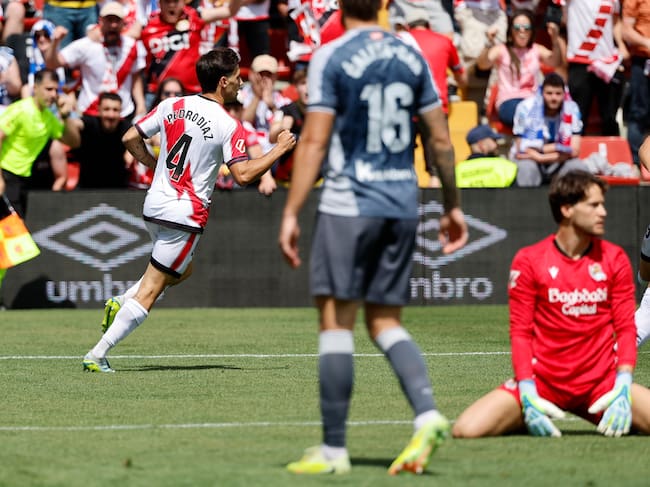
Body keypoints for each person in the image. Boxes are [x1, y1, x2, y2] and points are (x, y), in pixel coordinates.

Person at [278, 0, 468, 475]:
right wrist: (453, 205)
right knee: (385, 321)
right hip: (402, 203)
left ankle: (335, 450)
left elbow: (316, 141)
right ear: (384, 5)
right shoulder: (413, 55)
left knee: (336, 322)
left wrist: (292, 210)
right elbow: (441, 141)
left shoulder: (331, 54)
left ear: (341, 6)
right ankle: (426, 413)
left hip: (349, 204)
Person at [81, 47, 296, 373]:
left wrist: (155, 166)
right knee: (152, 290)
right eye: (238, 79)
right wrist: (278, 149)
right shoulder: (227, 124)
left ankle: (123, 301)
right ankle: (98, 352)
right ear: (223, 82)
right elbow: (243, 175)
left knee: (183, 270)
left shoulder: (173, 104)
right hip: (184, 214)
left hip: (154, 205)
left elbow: (129, 138)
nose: (241, 85)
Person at [453, 170, 650, 439]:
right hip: (543, 383)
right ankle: (528, 414)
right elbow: (520, 333)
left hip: (602, 384)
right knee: (466, 429)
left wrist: (624, 382)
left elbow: (626, 329)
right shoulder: (529, 260)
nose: (603, 212)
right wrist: (526, 386)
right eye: (593, 205)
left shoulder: (614, 259)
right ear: (567, 209)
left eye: (603, 204)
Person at [0, 68, 81, 308]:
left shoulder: (48, 118)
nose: (52, 94)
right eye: (48, 89)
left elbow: (74, 141)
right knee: (7, 244)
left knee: (8, 248)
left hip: (20, 184)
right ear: (34, 87)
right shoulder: (20, 110)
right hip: (5, 178)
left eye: (56, 90)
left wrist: (66, 116)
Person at [45, 2, 148, 120]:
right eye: (109, 20)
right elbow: (52, 63)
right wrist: (55, 42)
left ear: (123, 24)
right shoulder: (87, 44)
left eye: (117, 21)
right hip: (90, 113)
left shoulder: (131, 46)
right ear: (101, 21)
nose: (113, 25)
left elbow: (135, 77)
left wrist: (140, 104)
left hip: (122, 113)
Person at [140, 0, 243, 100]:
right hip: (158, 95)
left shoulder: (194, 16)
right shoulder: (147, 24)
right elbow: (126, 36)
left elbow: (230, 11)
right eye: (167, 1)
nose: (171, 5)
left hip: (192, 93)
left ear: (183, 2)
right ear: (159, 3)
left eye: (175, 1)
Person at [477, 9, 563, 128]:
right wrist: (488, 42)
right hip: (509, 100)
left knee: (554, 110)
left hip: (533, 100)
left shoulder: (536, 49)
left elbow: (555, 62)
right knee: (524, 116)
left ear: (531, 31)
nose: (522, 31)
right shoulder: (502, 49)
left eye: (526, 27)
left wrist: (555, 40)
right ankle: (528, 140)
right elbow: (482, 64)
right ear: (511, 30)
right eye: (517, 27)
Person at [509, 72, 585, 186]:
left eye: (558, 93)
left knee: (578, 167)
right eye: (549, 93)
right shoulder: (525, 108)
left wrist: (540, 154)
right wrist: (556, 148)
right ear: (541, 92)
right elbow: (521, 151)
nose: (554, 98)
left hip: (559, 161)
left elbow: (574, 151)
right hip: (531, 160)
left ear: (564, 94)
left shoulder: (572, 109)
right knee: (527, 168)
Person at [565, 0, 628, 136]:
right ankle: (573, 153)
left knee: (610, 117)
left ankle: (612, 155)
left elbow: (615, 22)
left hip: (607, 63)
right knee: (578, 116)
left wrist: (621, 45)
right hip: (580, 61)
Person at [71, 91, 134, 188]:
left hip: (117, 190)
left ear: (120, 112)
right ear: (98, 110)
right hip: (86, 188)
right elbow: (75, 124)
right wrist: (66, 115)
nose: (111, 115)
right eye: (106, 109)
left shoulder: (125, 127)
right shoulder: (90, 123)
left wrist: (132, 149)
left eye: (115, 110)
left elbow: (145, 137)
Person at [621, 0, 650, 165]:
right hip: (643, 59)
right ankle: (636, 163)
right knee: (639, 112)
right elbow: (626, 31)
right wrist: (647, 43)